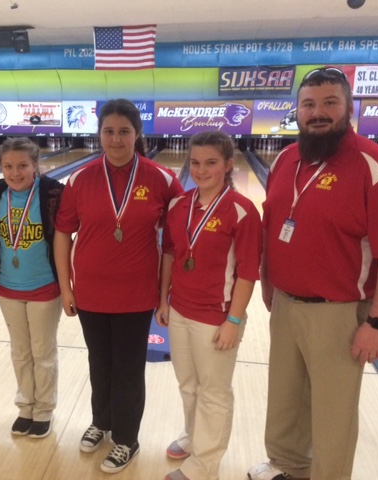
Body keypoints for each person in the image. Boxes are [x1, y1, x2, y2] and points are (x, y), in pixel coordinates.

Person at [248, 67, 378, 480]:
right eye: (309, 104)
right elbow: (274, 225)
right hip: (286, 304)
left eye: (329, 103)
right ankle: (288, 467)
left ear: (349, 108)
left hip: (339, 311)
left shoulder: (376, 165)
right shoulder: (287, 158)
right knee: (285, 399)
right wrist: (269, 283)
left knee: (333, 413)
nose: (317, 113)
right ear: (297, 111)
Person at [54, 99, 184, 474]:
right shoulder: (80, 179)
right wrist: (67, 288)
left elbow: (177, 240)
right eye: (108, 131)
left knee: (128, 369)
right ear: (99, 134)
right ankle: (102, 421)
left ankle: (127, 438)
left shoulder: (160, 178)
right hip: (90, 293)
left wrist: (165, 295)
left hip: (136, 294)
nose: (116, 139)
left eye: (124, 131)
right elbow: (63, 233)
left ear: (137, 134)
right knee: (100, 363)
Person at [155, 131, 262, 480]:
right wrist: (163, 299)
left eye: (211, 163)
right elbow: (170, 253)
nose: (201, 170)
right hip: (180, 310)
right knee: (188, 383)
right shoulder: (178, 205)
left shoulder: (242, 211)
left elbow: (247, 273)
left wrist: (234, 320)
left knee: (213, 392)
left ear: (228, 165)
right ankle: (193, 436)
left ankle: (204, 466)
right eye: (196, 162)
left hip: (216, 317)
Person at [0, 137, 64, 439]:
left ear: (36, 165)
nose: (15, 172)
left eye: (22, 165)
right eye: (8, 166)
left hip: (44, 286)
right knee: (20, 352)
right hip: (7, 286)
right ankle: (25, 406)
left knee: (43, 352)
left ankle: (44, 409)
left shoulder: (52, 193)